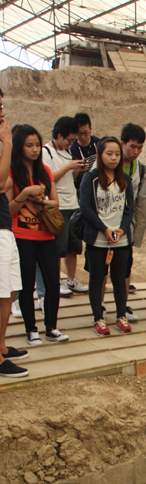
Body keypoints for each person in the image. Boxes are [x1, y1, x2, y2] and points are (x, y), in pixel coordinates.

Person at [7, 124, 69, 345]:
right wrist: (25, 193)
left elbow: (55, 203)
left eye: (36, 145)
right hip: (22, 235)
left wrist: (40, 200)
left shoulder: (44, 171)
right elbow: (9, 209)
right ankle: (31, 329)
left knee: (53, 281)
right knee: (26, 284)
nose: (34, 149)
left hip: (46, 235)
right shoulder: (11, 173)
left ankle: (51, 327)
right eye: (29, 145)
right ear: (19, 147)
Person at [79, 137, 134, 336]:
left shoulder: (125, 179)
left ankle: (121, 316)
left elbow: (129, 208)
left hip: (120, 239)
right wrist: (104, 229)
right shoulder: (90, 178)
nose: (114, 158)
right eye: (109, 153)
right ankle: (98, 318)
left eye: (117, 154)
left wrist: (123, 229)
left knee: (120, 279)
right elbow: (85, 207)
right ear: (100, 155)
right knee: (97, 279)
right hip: (98, 237)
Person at [0, 93, 29, 377]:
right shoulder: (4, 143)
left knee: (10, 290)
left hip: (4, 227)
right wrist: (8, 143)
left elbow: (6, 181)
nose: (2, 112)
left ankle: (1, 346)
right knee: (0, 293)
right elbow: (1, 182)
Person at [42, 116, 88, 296]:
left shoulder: (67, 151)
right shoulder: (46, 152)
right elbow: (48, 179)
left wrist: (77, 169)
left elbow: (70, 179)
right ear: (59, 135)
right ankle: (56, 281)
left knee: (73, 246)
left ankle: (71, 279)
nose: (71, 143)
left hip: (72, 203)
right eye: (69, 139)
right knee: (58, 248)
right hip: (58, 205)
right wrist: (69, 166)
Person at [120, 122, 146, 322]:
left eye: (140, 147)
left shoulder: (141, 169)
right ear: (122, 143)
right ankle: (99, 306)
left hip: (126, 226)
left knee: (125, 267)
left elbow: (141, 201)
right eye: (132, 146)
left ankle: (122, 306)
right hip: (105, 225)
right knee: (102, 270)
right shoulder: (106, 162)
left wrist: (137, 232)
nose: (136, 152)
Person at [70, 112, 100, 191]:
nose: (82, 137)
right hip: (83, 188)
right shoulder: (72, 150)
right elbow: (71, 178)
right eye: (79, 133)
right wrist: (78, 169)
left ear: (91, 129)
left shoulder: (98, 143)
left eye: (86, 133)